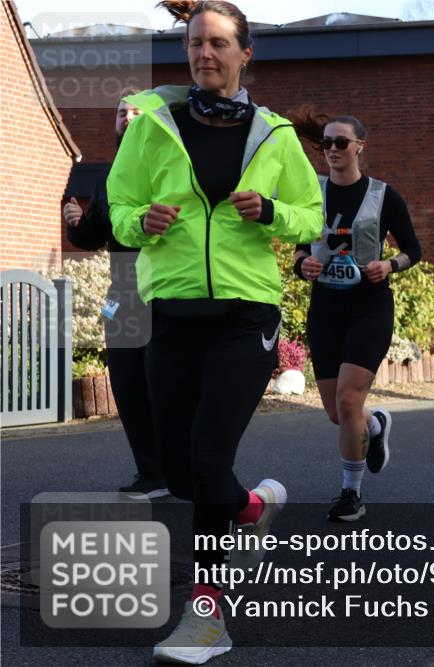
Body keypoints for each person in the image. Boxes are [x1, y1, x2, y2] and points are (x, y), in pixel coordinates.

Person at [108, 1, 323, 662]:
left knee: (206, 456)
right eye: (196, 43)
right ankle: (251, 509)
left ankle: (206, 617)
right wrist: (139, 220)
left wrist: (273, 211)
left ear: (245, 53)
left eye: (220, 43)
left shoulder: (274, 135)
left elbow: (310, 215)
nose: (206, 53)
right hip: (170, 311)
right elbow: (116, 207)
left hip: (244, 315)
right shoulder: (152, 126)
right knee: (176, 469)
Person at [290, 108, 422, 523]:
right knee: (337, 412)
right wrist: (301, 265)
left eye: (340, 142)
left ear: (359, 147)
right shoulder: (310, 192)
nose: (331, 149)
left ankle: (351, 493)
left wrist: (390, 265)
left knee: (349, 401)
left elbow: (413, 250)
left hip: (369, 307)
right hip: (325, 308)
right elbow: (298, 247)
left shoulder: (385, 195)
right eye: (325, 143)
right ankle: (376, 425)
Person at [62, 90, 167, 500]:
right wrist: (76, 223)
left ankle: (188, 465)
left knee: (166, 380)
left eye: (136, 111)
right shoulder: (107, 175)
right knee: (127, 381)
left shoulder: (166, 167)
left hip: (167, 286)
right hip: (122, 291)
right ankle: (152, 472)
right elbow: (94, 236)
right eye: (122, 112)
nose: (127, 116)